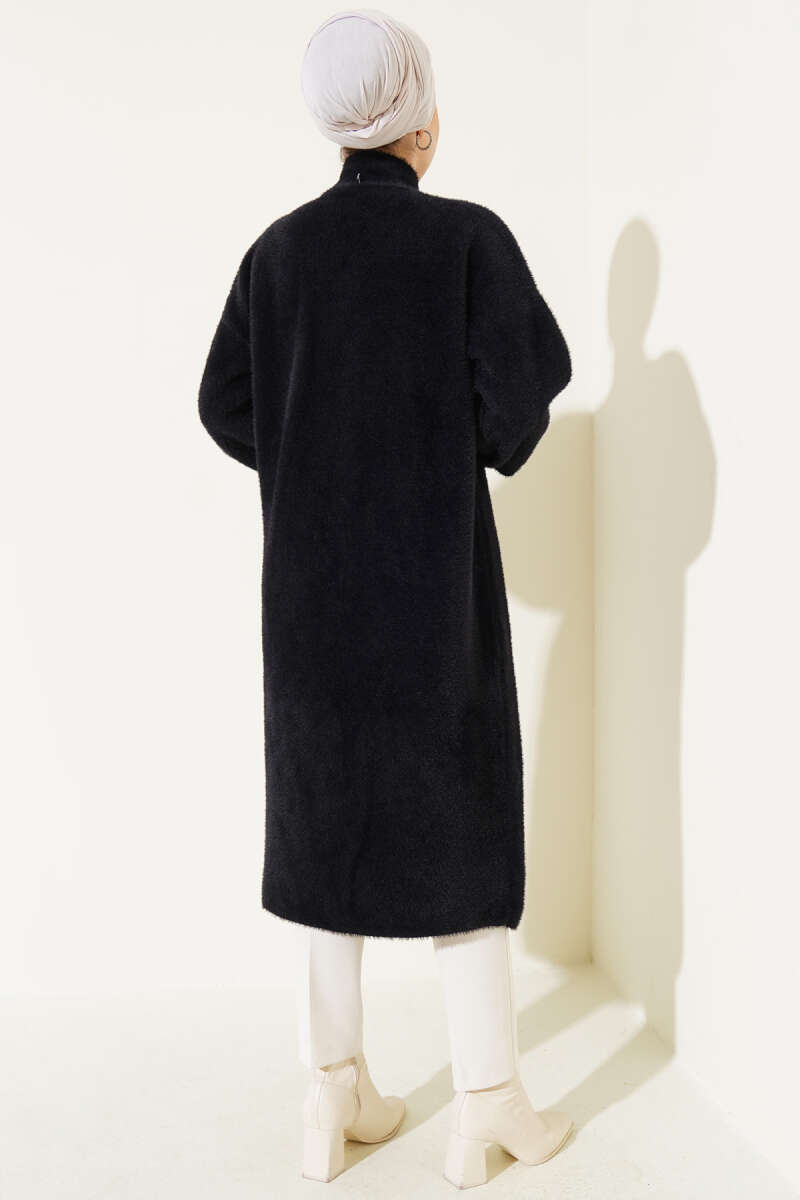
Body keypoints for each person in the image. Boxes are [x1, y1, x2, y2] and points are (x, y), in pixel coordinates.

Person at [197, 7, 573, 1189]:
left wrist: (313, 449)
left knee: (327, 827)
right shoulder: (464, 241)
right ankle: (487, 1102)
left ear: (333, 123)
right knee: (461, 820)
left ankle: (332, 1092)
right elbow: (517, 414)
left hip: (308, 598)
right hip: (432, 594)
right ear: (419, 119)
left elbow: (222, 404)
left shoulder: (275, 255)